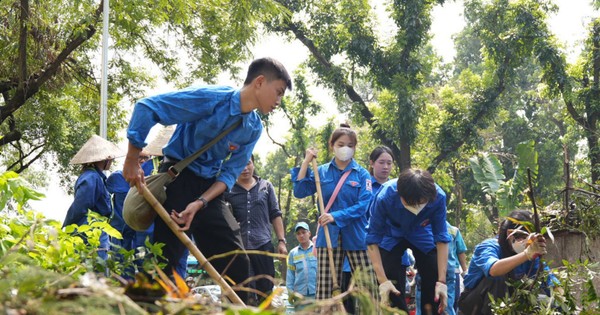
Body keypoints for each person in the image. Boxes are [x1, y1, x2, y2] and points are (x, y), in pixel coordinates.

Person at [122, 57, 292, 302]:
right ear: (259, 82)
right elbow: (148, 108)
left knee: (237, 264)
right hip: (178, 182)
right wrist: (131, 158)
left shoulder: (253, 128)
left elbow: (229, 173)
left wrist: (200, 202)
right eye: (278, 92)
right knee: (165, 267)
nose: (278, 101)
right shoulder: (213, 99)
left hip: (210, 192)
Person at [291, 124, 377, 309]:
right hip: (327, 237)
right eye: (341, 144)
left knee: (367, 290)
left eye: (350, 145)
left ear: (355, 147)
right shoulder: (320, 171)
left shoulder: (362, 175)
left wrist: (335, 216)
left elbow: (363, 205)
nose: (345, 148)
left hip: (357, 237)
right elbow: (299, 191)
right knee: (325, 291)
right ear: (332, 145)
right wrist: (306, 162)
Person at [367, 168, 450, 315]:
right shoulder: (384, 196)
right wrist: (382, 280)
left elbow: (441, 238)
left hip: (421, 231)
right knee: (389, 273)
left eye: (420, 203)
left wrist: (442, 281)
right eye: (411, 203)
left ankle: (430, 310)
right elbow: (372, 240)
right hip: (391, 231)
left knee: (433, 268)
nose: (416, 206)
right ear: (400, 194)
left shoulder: (438, 197)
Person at [459, 210, 555, 315]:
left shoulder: (531, 254)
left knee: (545, 301)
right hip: (474, 305)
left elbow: (548, 281)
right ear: (510, 234)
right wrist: (526, 255)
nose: (526, 242)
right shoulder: (488, 247)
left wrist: (563, 300)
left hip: (508, 303)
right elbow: (494, 270)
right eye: (522, 237)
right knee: (497, 279)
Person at [223, 154, 287, 304]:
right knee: (241, 292)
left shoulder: (266, 186)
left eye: (248, 163)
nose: (245, 168)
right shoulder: (227, 189)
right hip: (238, 247)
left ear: (253, 164)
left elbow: (275, 214)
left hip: (262, 246)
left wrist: (281, 241)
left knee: (265, 291)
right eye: (241, 164)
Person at [63, 135, 124, 261]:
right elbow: (80, 206)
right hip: (90, 232)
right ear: (105, 159)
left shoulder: (97, 177)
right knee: (95, 272)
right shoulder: (91, 177)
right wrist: (67, 226)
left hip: (97, 231)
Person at [415, 221, 466, 315]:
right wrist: (464, 270)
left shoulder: (422, 226)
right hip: (449, 270)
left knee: (423, 306)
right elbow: (461, 251)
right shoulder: (453, 230)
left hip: (427, 270)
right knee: (447, 305)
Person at [286, 222, 317, 310]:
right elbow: (290, 275)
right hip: (299, 296)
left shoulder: (317, 249)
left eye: (304, 232)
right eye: (298, 233)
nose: (301, 235)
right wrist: (290, 293)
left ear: (309, 233)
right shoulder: (293, 253)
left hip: (316, 293)